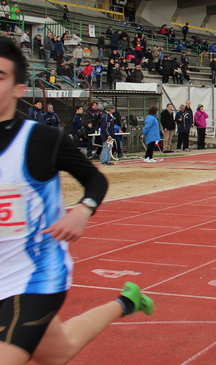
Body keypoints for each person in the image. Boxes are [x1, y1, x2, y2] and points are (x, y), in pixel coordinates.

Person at [0, 37, 153, 365]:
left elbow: (95, 179)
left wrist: (83, 210)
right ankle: (126, 302)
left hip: (33, 277)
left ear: (17, 88)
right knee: (61, 350)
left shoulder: (41, 140)